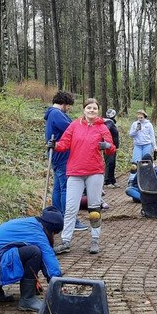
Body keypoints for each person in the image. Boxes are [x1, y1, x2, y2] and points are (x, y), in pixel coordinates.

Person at [50, 98, 115, 255]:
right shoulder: (74, 125)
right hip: (75, 172)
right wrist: (55, 145)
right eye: (89, 108)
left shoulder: (102, 128)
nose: (92, 110)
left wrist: (107, 146)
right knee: (71, 208)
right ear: (84, 109)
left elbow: (111, 148)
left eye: (94, 108)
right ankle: (65, 241)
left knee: (94, 207)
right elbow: (65, 143)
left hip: (95, 172)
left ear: (98, 111)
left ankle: (94, 240)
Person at [0, 206, 63, 311]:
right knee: (34, 252)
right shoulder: (37, 233)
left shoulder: (31, 224)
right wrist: (59, 284)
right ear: (51, 229)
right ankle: (28, 299)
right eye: (55, 233)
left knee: (28, 251)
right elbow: (48, 259)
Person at [44, 91, 88, 231]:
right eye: (68, 106)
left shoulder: (53, 114)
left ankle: (57, 218)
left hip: (57, 155)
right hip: (62, 156)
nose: (69, 108)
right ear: (64, 103)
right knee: (66, 189)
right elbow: (72, 129)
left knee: (58, 188)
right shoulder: (56, 114)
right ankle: (69, 220)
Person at [103, 109, 120, 187]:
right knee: (109, 163)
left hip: (113, 147)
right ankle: (107, 181)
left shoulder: (112, 122)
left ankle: (113, 180)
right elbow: (106, 129)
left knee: (113, 163)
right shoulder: (109, 122)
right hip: (109, 146)